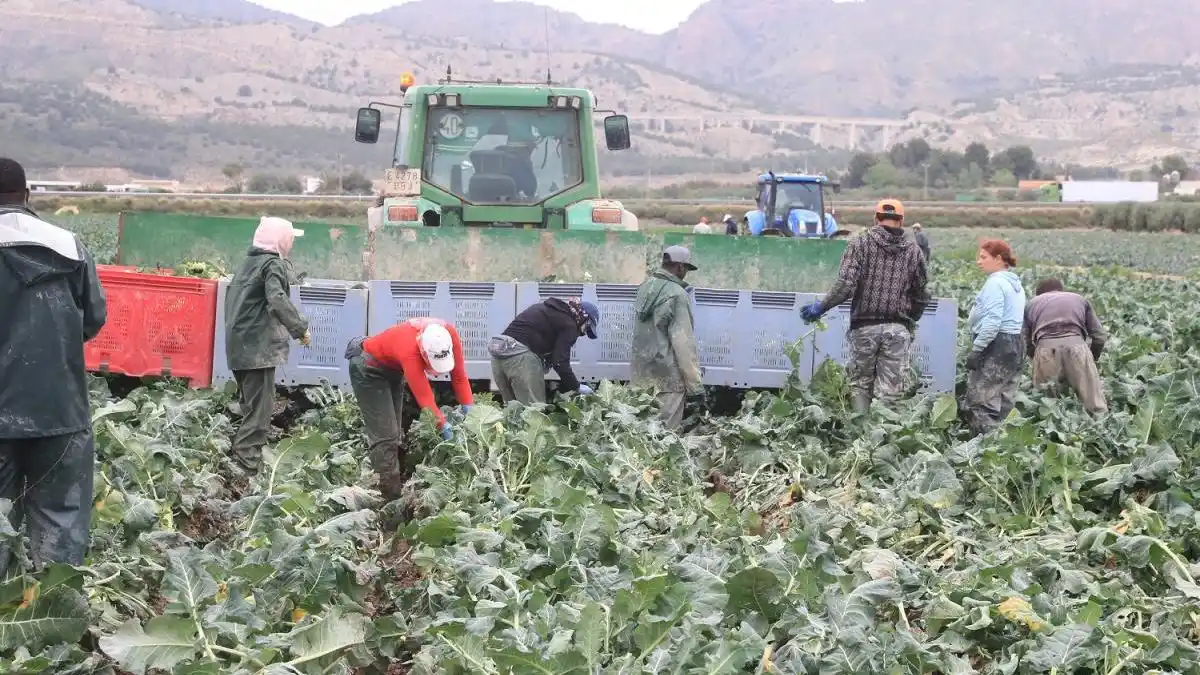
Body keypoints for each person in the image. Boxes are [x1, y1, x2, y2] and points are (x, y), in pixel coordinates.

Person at [0, 157, 107, 575]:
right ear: (27, 195)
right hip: (59, 410)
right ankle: (53, 603)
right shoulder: (68, 246)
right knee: (60, 520)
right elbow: (93, 318)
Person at [800, 199, 929, 412]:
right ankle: (882, 429)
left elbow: (846, 285)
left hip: (864, 327)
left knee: (860, 384)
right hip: (897, 329)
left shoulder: (860, 243)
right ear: (902, 220)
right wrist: (910, 319)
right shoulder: (914, 251)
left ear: (876, 218)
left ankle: (860, 427)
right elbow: (922, 291)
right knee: (891, 390)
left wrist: (821, 307)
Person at [345, 317, 474, 500]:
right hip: (368, 368)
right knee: (386, 437)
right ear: (423, 352)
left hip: (393, 368)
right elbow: (425, 399)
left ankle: (396, 482)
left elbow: (459, 376)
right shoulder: (410, 351)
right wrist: (443, 426)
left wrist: (470, 409)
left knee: (395, 433)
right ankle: (389, 500)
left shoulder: (450, 334)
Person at [224, 216, 310, 473]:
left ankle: (241, 462)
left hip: (239, 346)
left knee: (251, 406)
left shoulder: (248, 263)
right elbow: (277, 297)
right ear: (280, 240)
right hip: (257, 348)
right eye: (290, 239)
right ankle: (246, 466)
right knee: (260, 411)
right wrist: (299, 328)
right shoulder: (272, 265)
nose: (291, 243)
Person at [631, 246, 705, 429]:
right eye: (686, 269)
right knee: (664, 437)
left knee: (642, 433)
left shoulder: (645, 288)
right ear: (679, 267)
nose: (685, 274)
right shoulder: (677, 294)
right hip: (668, 381)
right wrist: (695, 387)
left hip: (641, 376)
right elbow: (684, 345)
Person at [964, 239, 1026, 434]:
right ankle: (1002, 442)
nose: (979, 262)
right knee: (1004, 398)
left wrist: (977, 349)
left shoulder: (995, 283)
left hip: (996, 344)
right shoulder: (1016, 284)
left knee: (981, 401)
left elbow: (992, 321)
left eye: (984, 257)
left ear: (998, 259)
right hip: (1016, 342)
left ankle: (984, 445)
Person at [489, 297, 600, 404]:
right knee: (534, 410)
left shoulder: (548, 309)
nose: (584, 333)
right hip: (519, 356)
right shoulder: (570, 325)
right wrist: (576, 386)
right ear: (583, 318)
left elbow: (541, 341)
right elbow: (560, 362)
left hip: (498, 353)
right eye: (587, 328)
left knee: (512, 409)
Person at [1025, 278, 1107, 413]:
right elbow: (1099, 337)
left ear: (1039, 294)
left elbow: (1023, 339)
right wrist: (1092, 357)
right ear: (1061, 290)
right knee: (1094, 405)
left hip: (1045, 349)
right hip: (1077, 347)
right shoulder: (1079, 299)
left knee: (1046, 405)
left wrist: (1035, 355)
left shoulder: (1031, 304)